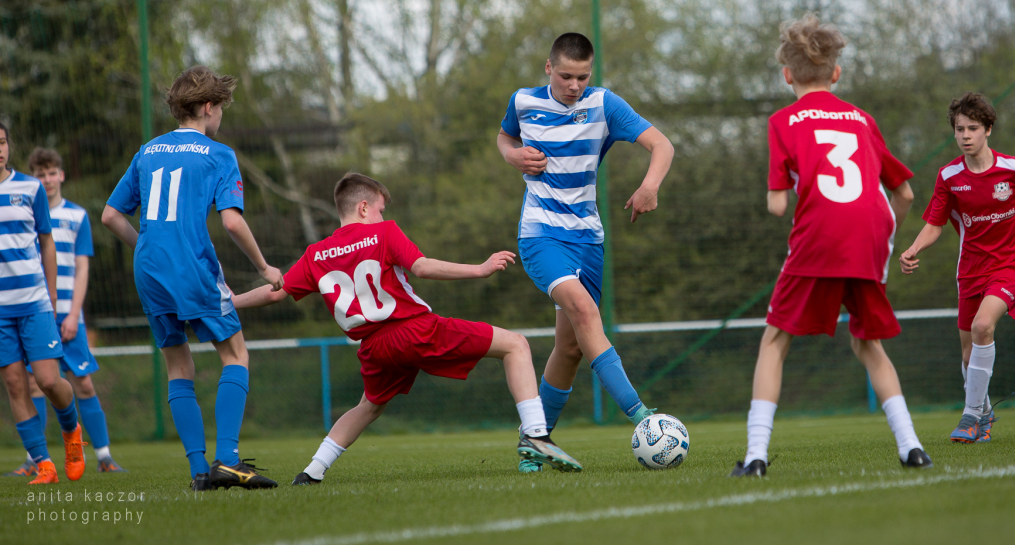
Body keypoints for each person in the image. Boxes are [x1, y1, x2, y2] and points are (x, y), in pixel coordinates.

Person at [233, 172, 583, 482]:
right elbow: (422, 267)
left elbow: (276, 292)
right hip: (414, 331)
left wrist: (231, 302)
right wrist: (479, 269)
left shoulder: (316, 254)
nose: (384, 216)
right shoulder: (383, 232)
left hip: (373, 348)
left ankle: (312, 470)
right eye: (381, 209)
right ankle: (536, 434)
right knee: (516, 345)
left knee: (369, 406)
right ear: (364, 208)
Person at [731, 16, 930, 478]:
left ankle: (756, 456)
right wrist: (885, 237)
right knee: (867, 343)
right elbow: (905, 194)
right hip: (872, 234)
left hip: (820, 234)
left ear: (787, 75)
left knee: (775, 341)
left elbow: (778, 206)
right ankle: (912, 448)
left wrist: (781, 188)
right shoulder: (862, 119)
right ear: (836, 73)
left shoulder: (783, 121)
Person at [495, 32, 675, 471]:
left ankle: (534, 441)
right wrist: (512, 156)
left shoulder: (604, 104)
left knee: (571, 348)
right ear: (548, 68)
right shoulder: (523, 101)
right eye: (565, 76)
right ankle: (642, 416)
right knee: (583, 309)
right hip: (540, 235)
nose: (574, 85)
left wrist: (649, 186)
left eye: (582, 76)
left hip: (587, 239)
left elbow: (662, 145)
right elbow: (504, 137)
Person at [101, 66, 284, 490]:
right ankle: (229, 461)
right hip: (191, 265)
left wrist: (150, 248)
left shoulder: (147, 151)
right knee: (235, 355)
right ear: (207, 107)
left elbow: (110, 216)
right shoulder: (219, 154)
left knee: (178, 365)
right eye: (221, 109)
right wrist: (264, 268)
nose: (220, 117)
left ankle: (200, 471)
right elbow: (232, 222)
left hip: (149, 269)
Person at [899, 93, 1015, 443]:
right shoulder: (949, 176)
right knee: (969, 353)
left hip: (1012, 264)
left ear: (988, 129)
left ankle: (970, 416)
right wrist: (913, 248)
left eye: (972, 128)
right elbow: (935, 224)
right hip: (970, 269)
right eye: (959, 129)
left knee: (983, 325)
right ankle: (983, 417)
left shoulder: (1014, 168)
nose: (965, 135)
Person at [5, 147, 126, 477]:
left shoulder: (77, 216)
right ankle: (35, 460)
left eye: (51, 173)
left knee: (81, 382)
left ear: (61, 175)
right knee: (31, 385)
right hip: (26, 308)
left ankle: (103, 456)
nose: (46, 179)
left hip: (65, 311)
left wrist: (72, 314)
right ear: (35, 176)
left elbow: (82, 268)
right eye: (40, 174)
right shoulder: (24, 206)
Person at [0, 123, 84, 485]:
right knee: (15, 385)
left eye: (2, 142)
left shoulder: (29, 187)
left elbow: (47, 242)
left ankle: (71, 431)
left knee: (49, 381)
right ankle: (44, 464)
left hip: (35, 302)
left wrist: (51, 295)